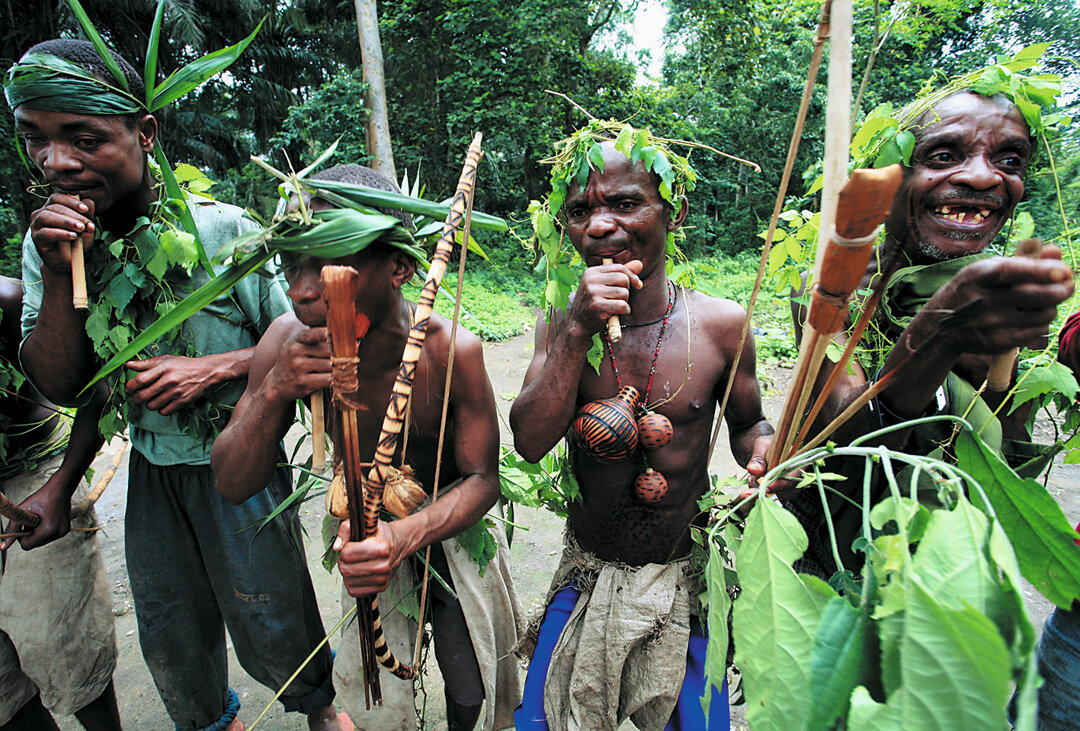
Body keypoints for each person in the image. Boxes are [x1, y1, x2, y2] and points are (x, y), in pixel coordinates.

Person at [8, 40, 346, 730]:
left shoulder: (221, 232)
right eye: (33, 139)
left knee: (272, 606)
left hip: (244, 463)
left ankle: (319, 706)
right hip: (154, 473)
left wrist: (213, 368)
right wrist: (55, 272)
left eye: (83, 137)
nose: (56, 161)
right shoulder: (53, 245)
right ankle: (209, 718)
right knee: (170, 627)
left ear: (145, 131)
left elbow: (308, 349)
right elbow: (72, 386)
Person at [211, 164, 522, 731]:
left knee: (471, 678)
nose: (304, 289)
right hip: (360, 529)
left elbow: (483, 479)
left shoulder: (449, 352)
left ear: (399, 267)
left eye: (331, 260)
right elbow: (232, 482)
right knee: (375, 694)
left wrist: (402, 537)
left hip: (448, 524)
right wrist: (277, 388)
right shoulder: (288, 342)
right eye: (291, 264)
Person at [509, 129, 776, 730]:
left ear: (672, 211)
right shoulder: (558, 325)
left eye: (626, 203)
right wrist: (578, 328)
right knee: (542, 719)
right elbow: (528, 442)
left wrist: (765, 454)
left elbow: (749, 423)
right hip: (588, 571)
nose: (601, 227)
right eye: (580, 211)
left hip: (683, 574)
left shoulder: (720, 325)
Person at [780, 89, 1075, 577]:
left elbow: (1007, 453)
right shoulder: (834, 282)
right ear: (892, 177)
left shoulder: (1002, 288)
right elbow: (840, 435)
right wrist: (940, 333)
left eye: (1009, 159)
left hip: (949, 558)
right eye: (943, 155)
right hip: (829, 547)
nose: (984, 176)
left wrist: (1008, 374)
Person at [0, 276, 121, 730]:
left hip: (31, 481)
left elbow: (102, 381)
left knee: (66, 645)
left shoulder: (8, 302)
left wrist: (62, 484)